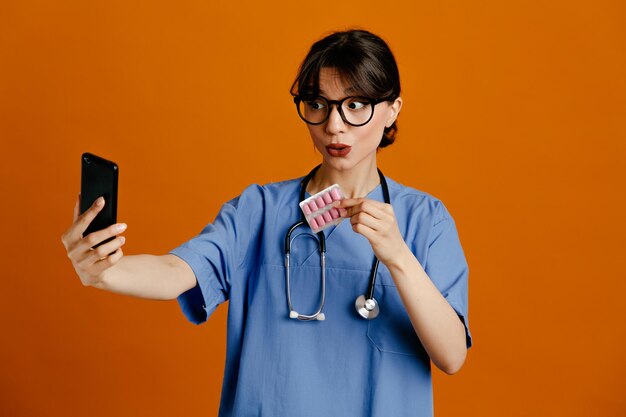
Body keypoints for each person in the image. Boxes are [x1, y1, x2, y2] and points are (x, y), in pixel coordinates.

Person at [62, 29, 471, 417]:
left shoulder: (425, 220)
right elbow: (178, 271)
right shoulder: (258, 210)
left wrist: (398, 256)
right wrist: (106, 272)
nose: (333, 124)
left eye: (355, 105)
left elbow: (452, 356)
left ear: (391, 110)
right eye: (317, 104)